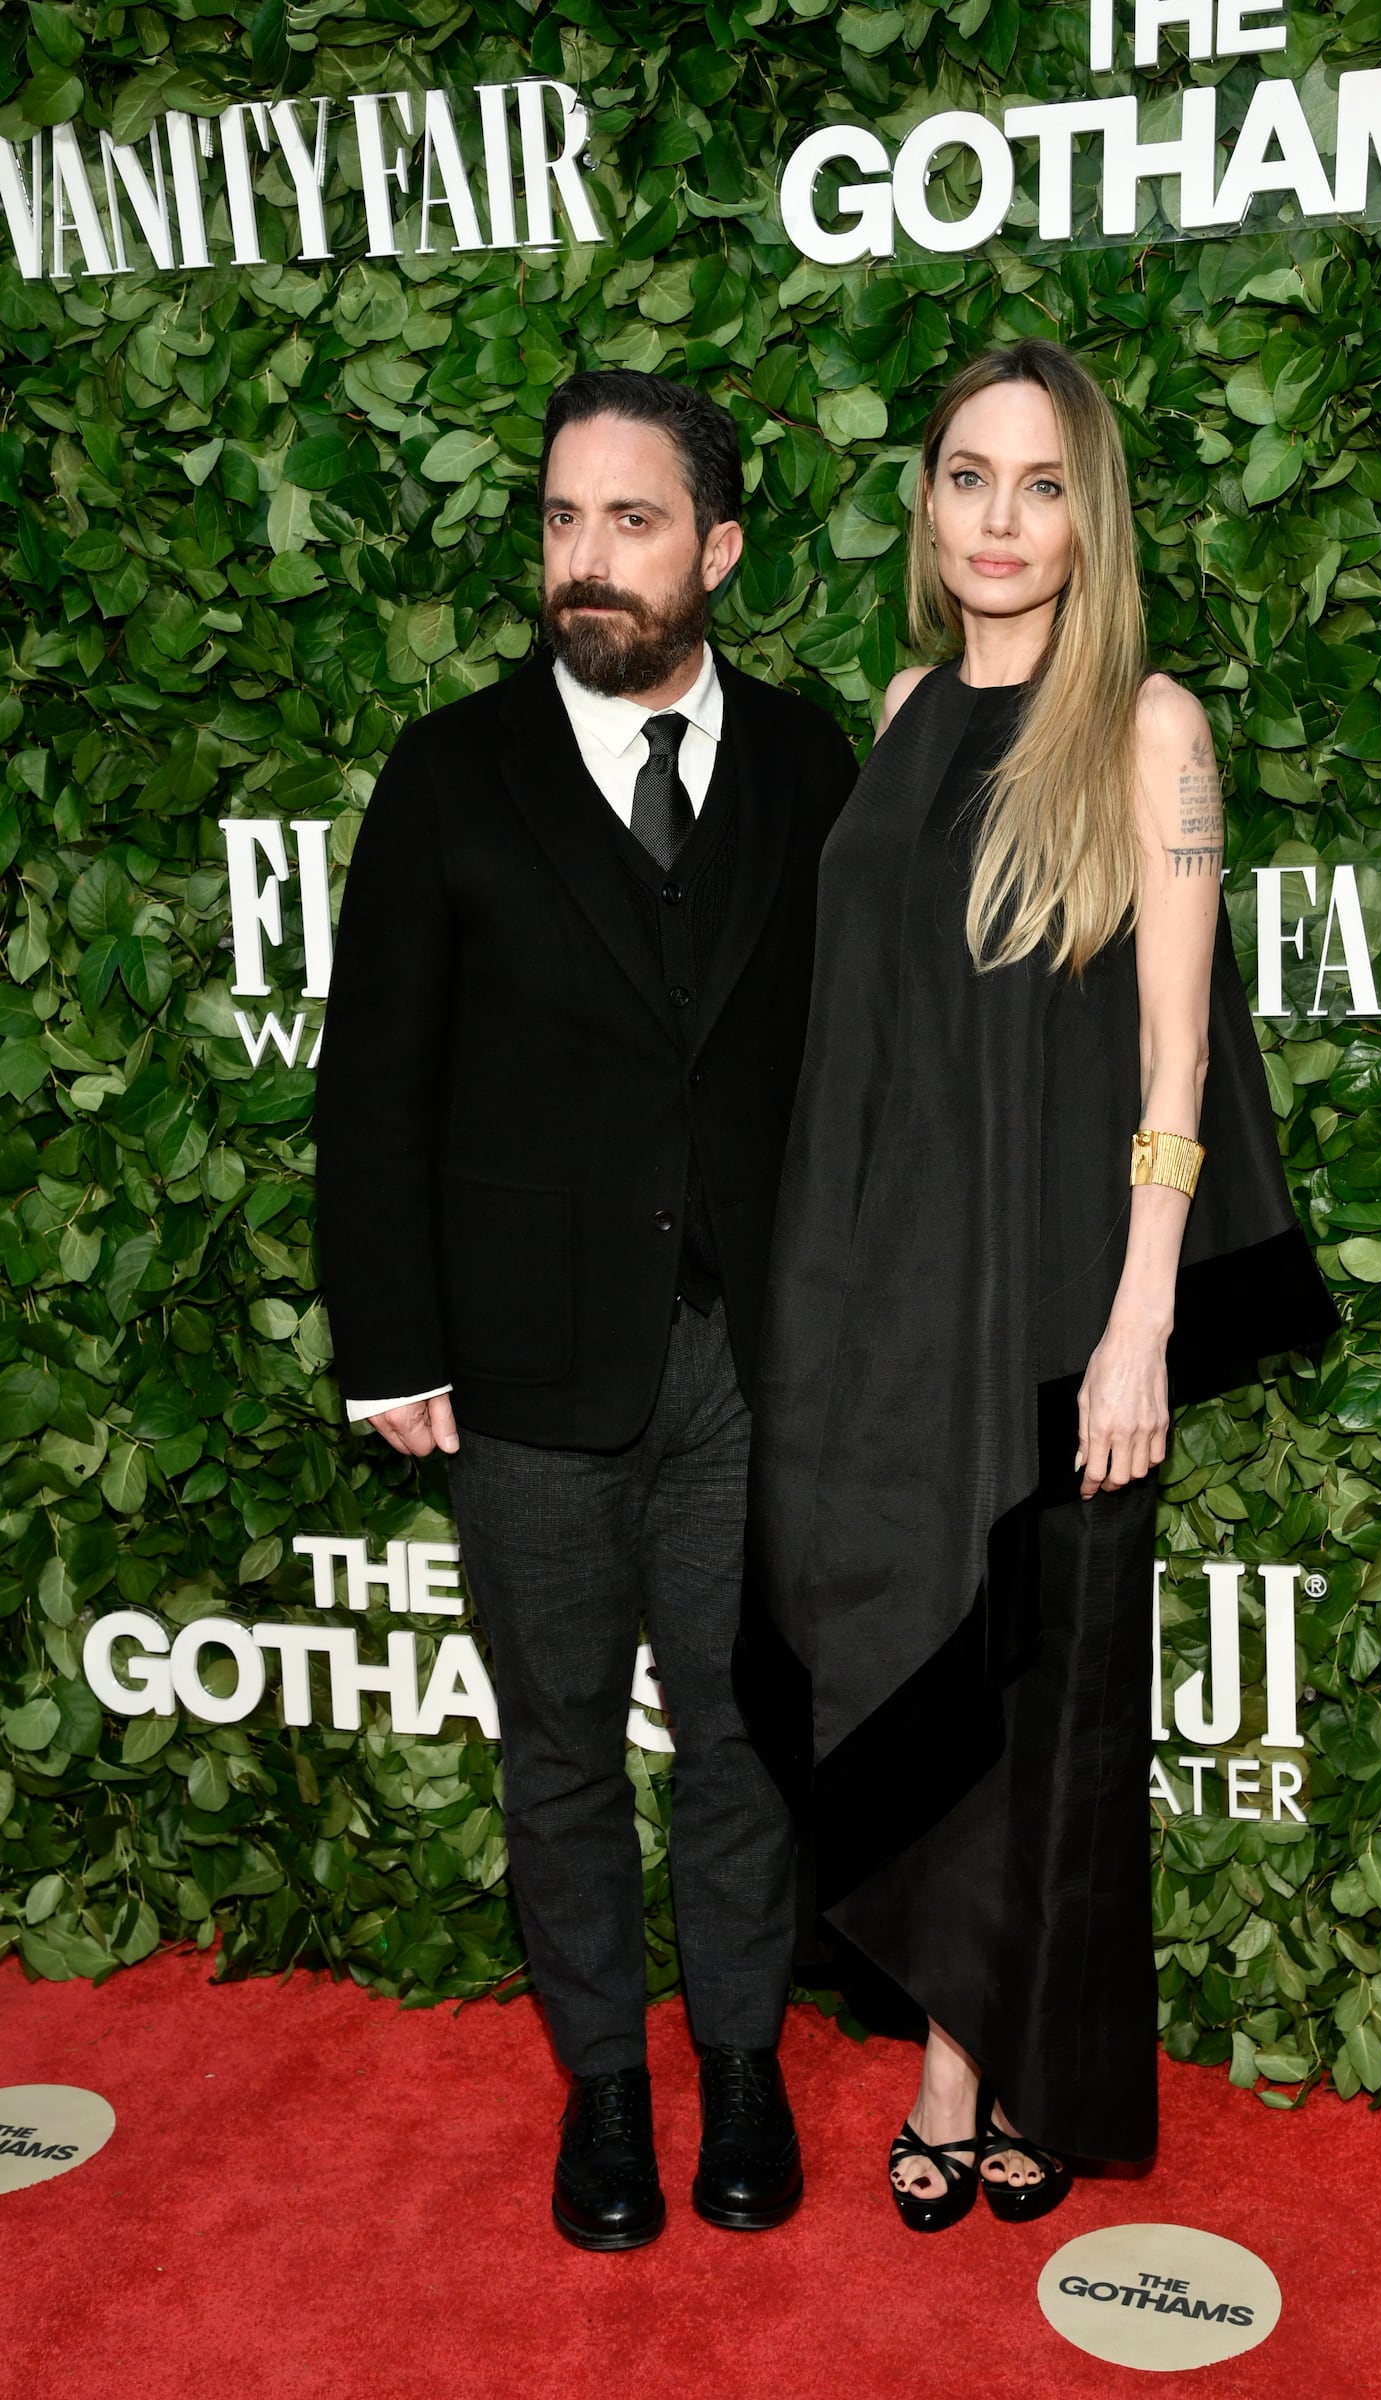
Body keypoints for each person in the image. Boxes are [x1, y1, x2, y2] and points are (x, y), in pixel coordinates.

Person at [737, 340, 1338, 2232]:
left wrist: (1143, 1316)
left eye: (1042, 484)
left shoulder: (1148, 729)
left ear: (1092, 517)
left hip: (1064, 1301)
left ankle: (990, 2074)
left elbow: (1177, 1060)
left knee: (1042, 1691)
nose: (1000, 520)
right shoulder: (907, 707)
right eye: (967, 478)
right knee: (901, 1645)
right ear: (927, 506)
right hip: (887, 1305)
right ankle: (946, 2057)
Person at [315, 368, 859, 2251]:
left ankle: (742, 2073)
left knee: (740, 1737)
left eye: (630, 524)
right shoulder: (449, 775)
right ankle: (606, 2100)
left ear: (714, 548)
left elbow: (860, 1069)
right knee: (555, 1748)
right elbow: (372, 1083)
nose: (585, 562)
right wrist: (391, 1342)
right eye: (561, 521)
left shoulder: (808, 767)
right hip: (527, 1368)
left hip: (749, 1361)